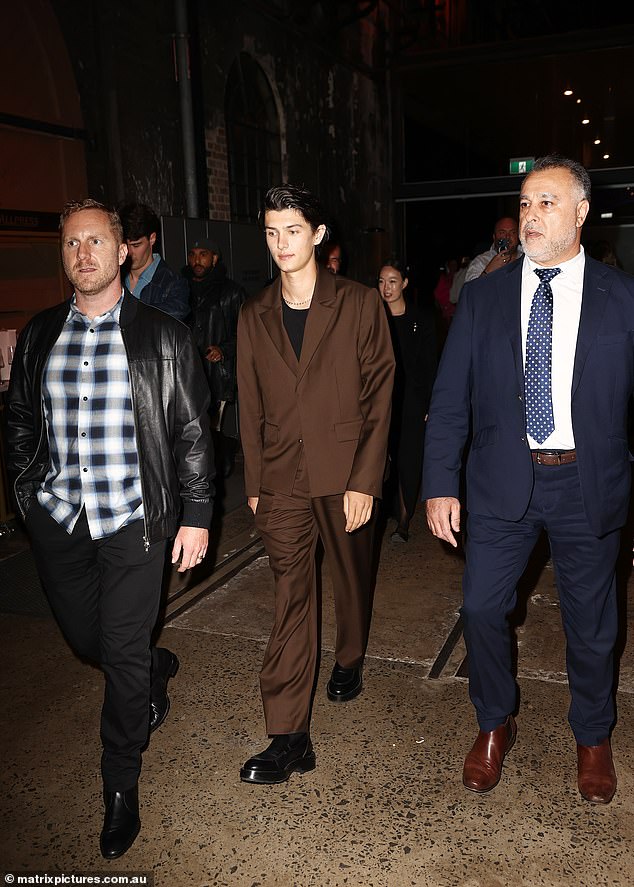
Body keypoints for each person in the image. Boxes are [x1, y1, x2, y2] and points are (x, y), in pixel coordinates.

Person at [423, 155, 634, 805]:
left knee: (592, 622)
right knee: (483, 607)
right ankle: (495, 720)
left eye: (547, 202)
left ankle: (592, 735)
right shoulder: (483, 295)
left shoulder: (621, 296)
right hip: (501, 482)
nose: (531, 215)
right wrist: (439, 481)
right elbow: (450, 396)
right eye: (525, 203)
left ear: (581, 212)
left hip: (586, 482)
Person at [7, 199, 214, 857]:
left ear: (123, 250)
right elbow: (18, 423)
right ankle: (148, 666)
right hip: (61, 517)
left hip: (133, 520)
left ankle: (119, 783)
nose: (84, 254)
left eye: (96, 241)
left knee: (118, 654)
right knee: (86, 638)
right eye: (72, 244)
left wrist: (199, 513)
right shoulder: (40, 335)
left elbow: (191, 432)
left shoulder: (164, 335)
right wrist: (27, 496)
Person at [237, 184, 394, 784]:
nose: (281, 244)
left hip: (344, 472)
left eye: (292, 231)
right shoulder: (253, 315)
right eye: (272, 232)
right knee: (291, 600)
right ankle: (288, 735)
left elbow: (380, 394)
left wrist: (365, 480)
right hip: (281, 480)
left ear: (318, 234)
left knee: (352, 575)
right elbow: (248, 403)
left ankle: (350, 655)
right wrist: (254, 481)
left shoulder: (357, 304)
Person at [377, 258, 436, 542]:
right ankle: (386, 511)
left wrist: (429, 404)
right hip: (380, 403)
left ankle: (403, 519)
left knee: (408, 460)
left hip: (411, 402)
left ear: (404, 284)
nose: (386, 288)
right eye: (381, 281)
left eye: (392, 282)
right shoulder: (374, 319)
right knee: (382, 458)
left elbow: (429, 366)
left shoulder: (420, 320)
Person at [184, 238, 247, 477]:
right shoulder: (181, 288)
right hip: (188, 372)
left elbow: (247, 333)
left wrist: (224, 349)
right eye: (192, 254)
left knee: (211, 429)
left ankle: (214, 471)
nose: (197, 260)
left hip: (216, 374)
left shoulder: (231, 292)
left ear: (215, 258)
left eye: (203, 254)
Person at [119, 202, 190, 321]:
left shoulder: (175, 285)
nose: (129, 252)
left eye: (136, 245)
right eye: (125, 245)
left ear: (152, 239)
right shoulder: (113, 278)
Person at [463, 216, 522, 282]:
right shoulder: (481, 261)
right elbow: (471, 290)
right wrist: (489, 270)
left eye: (513, 232)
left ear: (518, 236)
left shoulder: (528, 259)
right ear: (494, 237)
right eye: (502, 232)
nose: (507, 236)